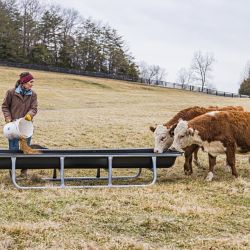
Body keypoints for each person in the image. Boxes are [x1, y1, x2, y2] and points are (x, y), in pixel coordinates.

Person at [2, 72, 38, 177]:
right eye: (31, 82)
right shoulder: (11, 92)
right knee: (13, 149)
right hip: (13, 126)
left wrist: (29, 116)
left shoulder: (33, 94)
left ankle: (24, 171)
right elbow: (5, 106)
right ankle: (12, 171)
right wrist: (8, 118)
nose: (32, 84)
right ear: (24, 82)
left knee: (25, 149)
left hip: (26, 127)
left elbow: (34, 108)